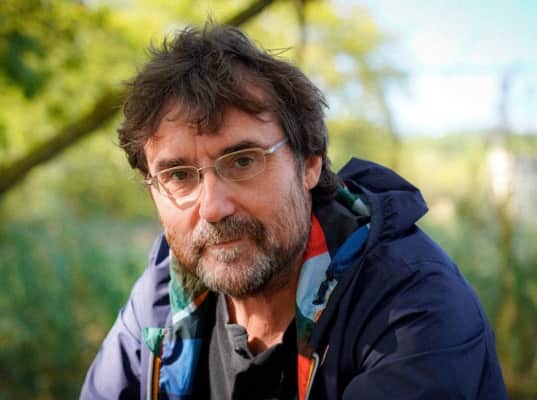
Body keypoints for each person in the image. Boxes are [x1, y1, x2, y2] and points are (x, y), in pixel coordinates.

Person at [80, 23, 506, 400]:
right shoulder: (162, 300)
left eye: (243, 161)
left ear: (310, 163)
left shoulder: (411, 306)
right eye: (177, 175)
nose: (212, 208)